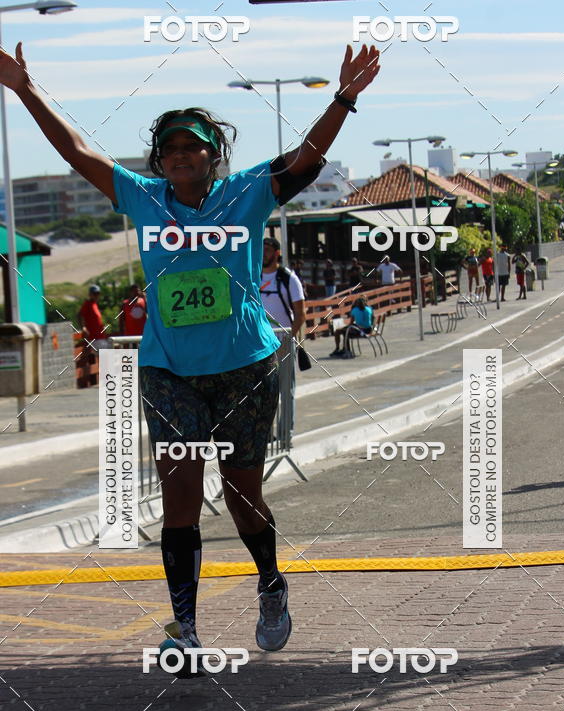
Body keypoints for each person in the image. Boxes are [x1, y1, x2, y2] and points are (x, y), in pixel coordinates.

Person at [0, 39, 381, 667]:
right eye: (170, 149)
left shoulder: (249, 192)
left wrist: (343, 98)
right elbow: (77, 151)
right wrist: (25, 87)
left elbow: (309, 161)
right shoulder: (143, 198)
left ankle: (271, 584)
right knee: (178, 496)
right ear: (160, 161)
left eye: (192, 147)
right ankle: (185, 625)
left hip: (243, 368)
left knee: (241, 493)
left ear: (212, 155)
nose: (180, 156)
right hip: (168, 370)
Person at [260, 236, 305, 435]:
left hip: (283, 341)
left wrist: (288, 340)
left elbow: (301, 314)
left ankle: (286, 432)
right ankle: (266, 435)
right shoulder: (253, 277)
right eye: (261, 250)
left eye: (268, 250)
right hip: (261, 344)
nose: (263, 254)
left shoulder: (289, 278)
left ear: (277, 253)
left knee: (285, 390)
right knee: (263, 392)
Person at [78, 284, 109, 349]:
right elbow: (80, 315)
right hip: (94, 338)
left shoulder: (94, 304)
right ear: (90, 294)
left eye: (98, 293)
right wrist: (83, 328)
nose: (96, 295)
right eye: (94, 294)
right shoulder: (87, 304)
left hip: (100, 337)